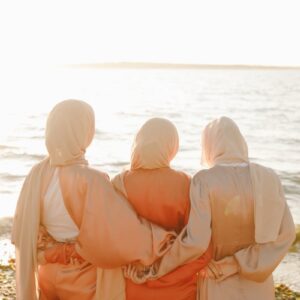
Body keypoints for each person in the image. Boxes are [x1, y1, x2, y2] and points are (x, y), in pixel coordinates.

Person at [11, 100, 175, 300]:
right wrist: (163, 239)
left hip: (48, 271)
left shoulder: (37, 174)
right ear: (83, 132)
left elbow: (22, 227)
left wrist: (51, 252)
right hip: (82, 277)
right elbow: (123, 233)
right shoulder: (92, 179)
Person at [126, 116, 296, 300]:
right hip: (257, 286)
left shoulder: (204, 181)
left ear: (209, 145)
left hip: (215, 279)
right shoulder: (268, 177)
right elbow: (286, 235)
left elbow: (196, 242)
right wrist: (237, 263)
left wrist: (157, 269)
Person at [111, 118, 212, 300]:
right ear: (172, 146)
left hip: (133, 286)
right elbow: (201, 246)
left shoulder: (119, 184)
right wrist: (163, 275)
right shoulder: (188, 184)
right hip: (179, 287)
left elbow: (111, 242)